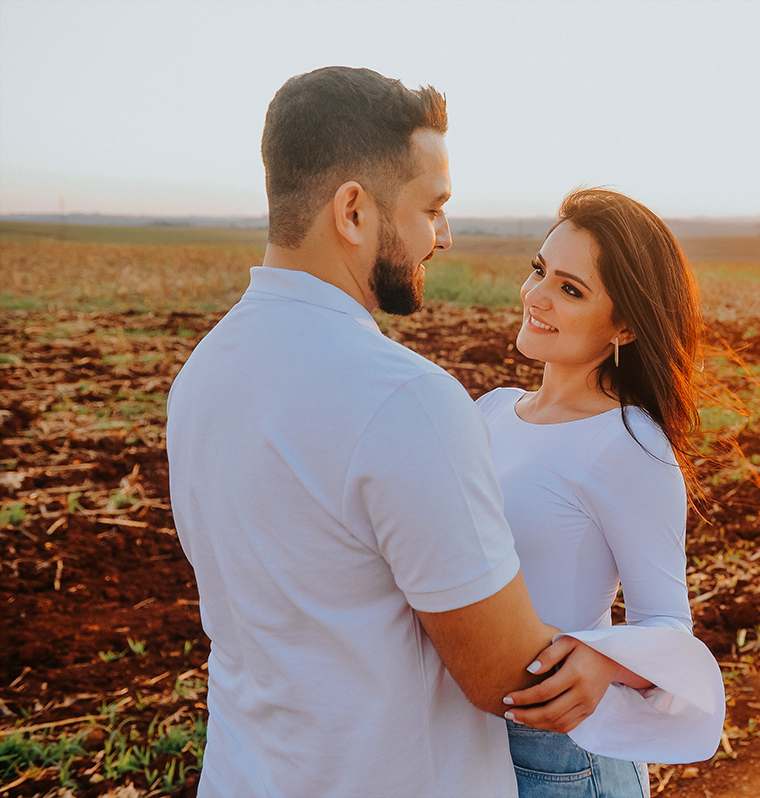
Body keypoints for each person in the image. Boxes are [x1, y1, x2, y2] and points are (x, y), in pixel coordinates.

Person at [166, 66, 604, 798]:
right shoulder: (406, 399)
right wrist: (616, 659)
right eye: (431, 208)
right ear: (354, 212)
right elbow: (508, 676)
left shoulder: (201, 377)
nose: (445, 236)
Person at [478, 188, 726, 797]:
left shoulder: (629, 444)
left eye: (570, 289)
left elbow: (668, 623)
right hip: (466, 737)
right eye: (540, 270)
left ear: (624, 325)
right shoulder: (490, 413)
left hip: (562, 756)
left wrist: (603, 661)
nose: (536, 296)